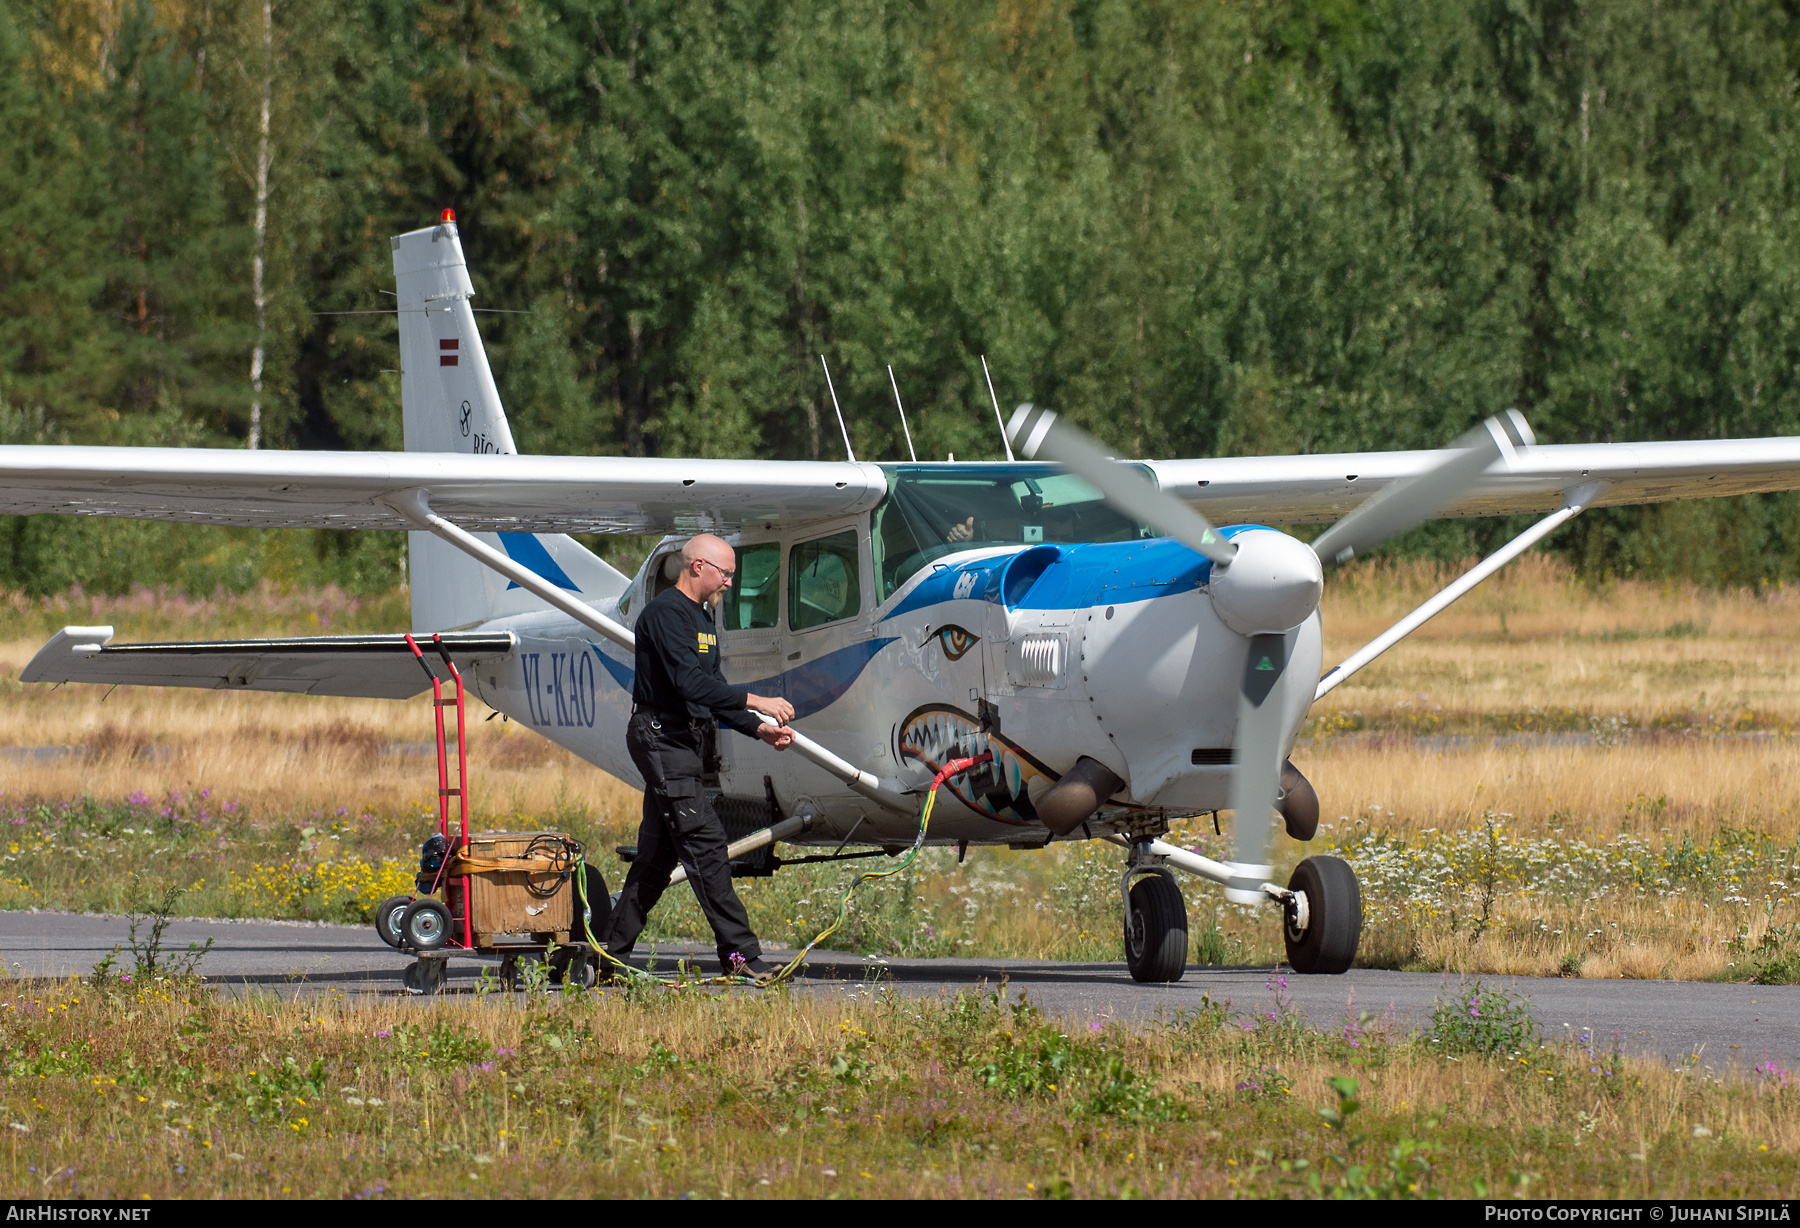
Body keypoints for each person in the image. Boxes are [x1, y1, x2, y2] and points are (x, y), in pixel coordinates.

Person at [600, 533, 797, 982]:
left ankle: (605, 956)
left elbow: (712, 690)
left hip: (682, 742)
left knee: (655, 859)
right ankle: (741, 954)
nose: (730, 581)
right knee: (707, 845)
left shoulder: (702, 619)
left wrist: (757, 728)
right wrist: (759, 700)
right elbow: (690, 685)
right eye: (725, 572)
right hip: (661, 739)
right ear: (697, 567)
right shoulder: (667, 615)